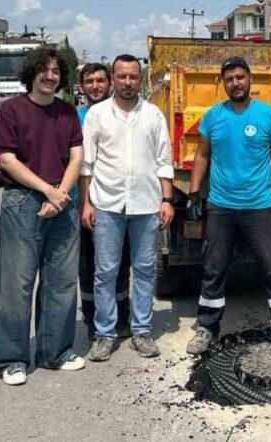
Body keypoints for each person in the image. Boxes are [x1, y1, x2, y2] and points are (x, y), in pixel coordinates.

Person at [184, 56, 271, 358]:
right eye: (229, 79)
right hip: (221, 207)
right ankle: (207, 327)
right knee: (213, 268)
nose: (235, 83)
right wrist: (194, 194)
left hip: (260, 207)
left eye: (240, 77)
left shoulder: (267, 115)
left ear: (250, 79)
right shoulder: (213, 116)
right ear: (223, 83)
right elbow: (202, 155)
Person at [0, 45, 86, 385]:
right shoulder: (12, 109)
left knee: (61, 282)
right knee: (16, 284)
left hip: (62, 202)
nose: (50, 76)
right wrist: (48, 191)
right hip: (23, 202)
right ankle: (12, 358)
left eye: (56, 71)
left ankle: (55, 351)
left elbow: (77, 157)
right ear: (31, 73)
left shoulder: (67, 112)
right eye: (44, 70)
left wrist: (60, 194)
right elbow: (7, 159)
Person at [80, 54, 175, 361]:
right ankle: (105, 333)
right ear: (113, 79)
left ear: (140, 79)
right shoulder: (97, 115)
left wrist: (167, 200)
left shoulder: (153, 115)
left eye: (133, 76)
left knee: (145, 269)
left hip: (146, 205)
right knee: (105, 271)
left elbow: (164, 160)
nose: (127, 82)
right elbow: (86, 164)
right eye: (122, 76)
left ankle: (141, 331)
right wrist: (86, 203)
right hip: (107, 204)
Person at [75, 62, 132, 340]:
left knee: (120, 263)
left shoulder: (118, 114)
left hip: (118, 202)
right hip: (85, 203)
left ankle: (122, 317)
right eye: (89, 81)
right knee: (89, 265)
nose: (95, 86)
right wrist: (84, 202)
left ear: (109, 83)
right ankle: (92, 319)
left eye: (100, 80)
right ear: (81, 86)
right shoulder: (75, 118)